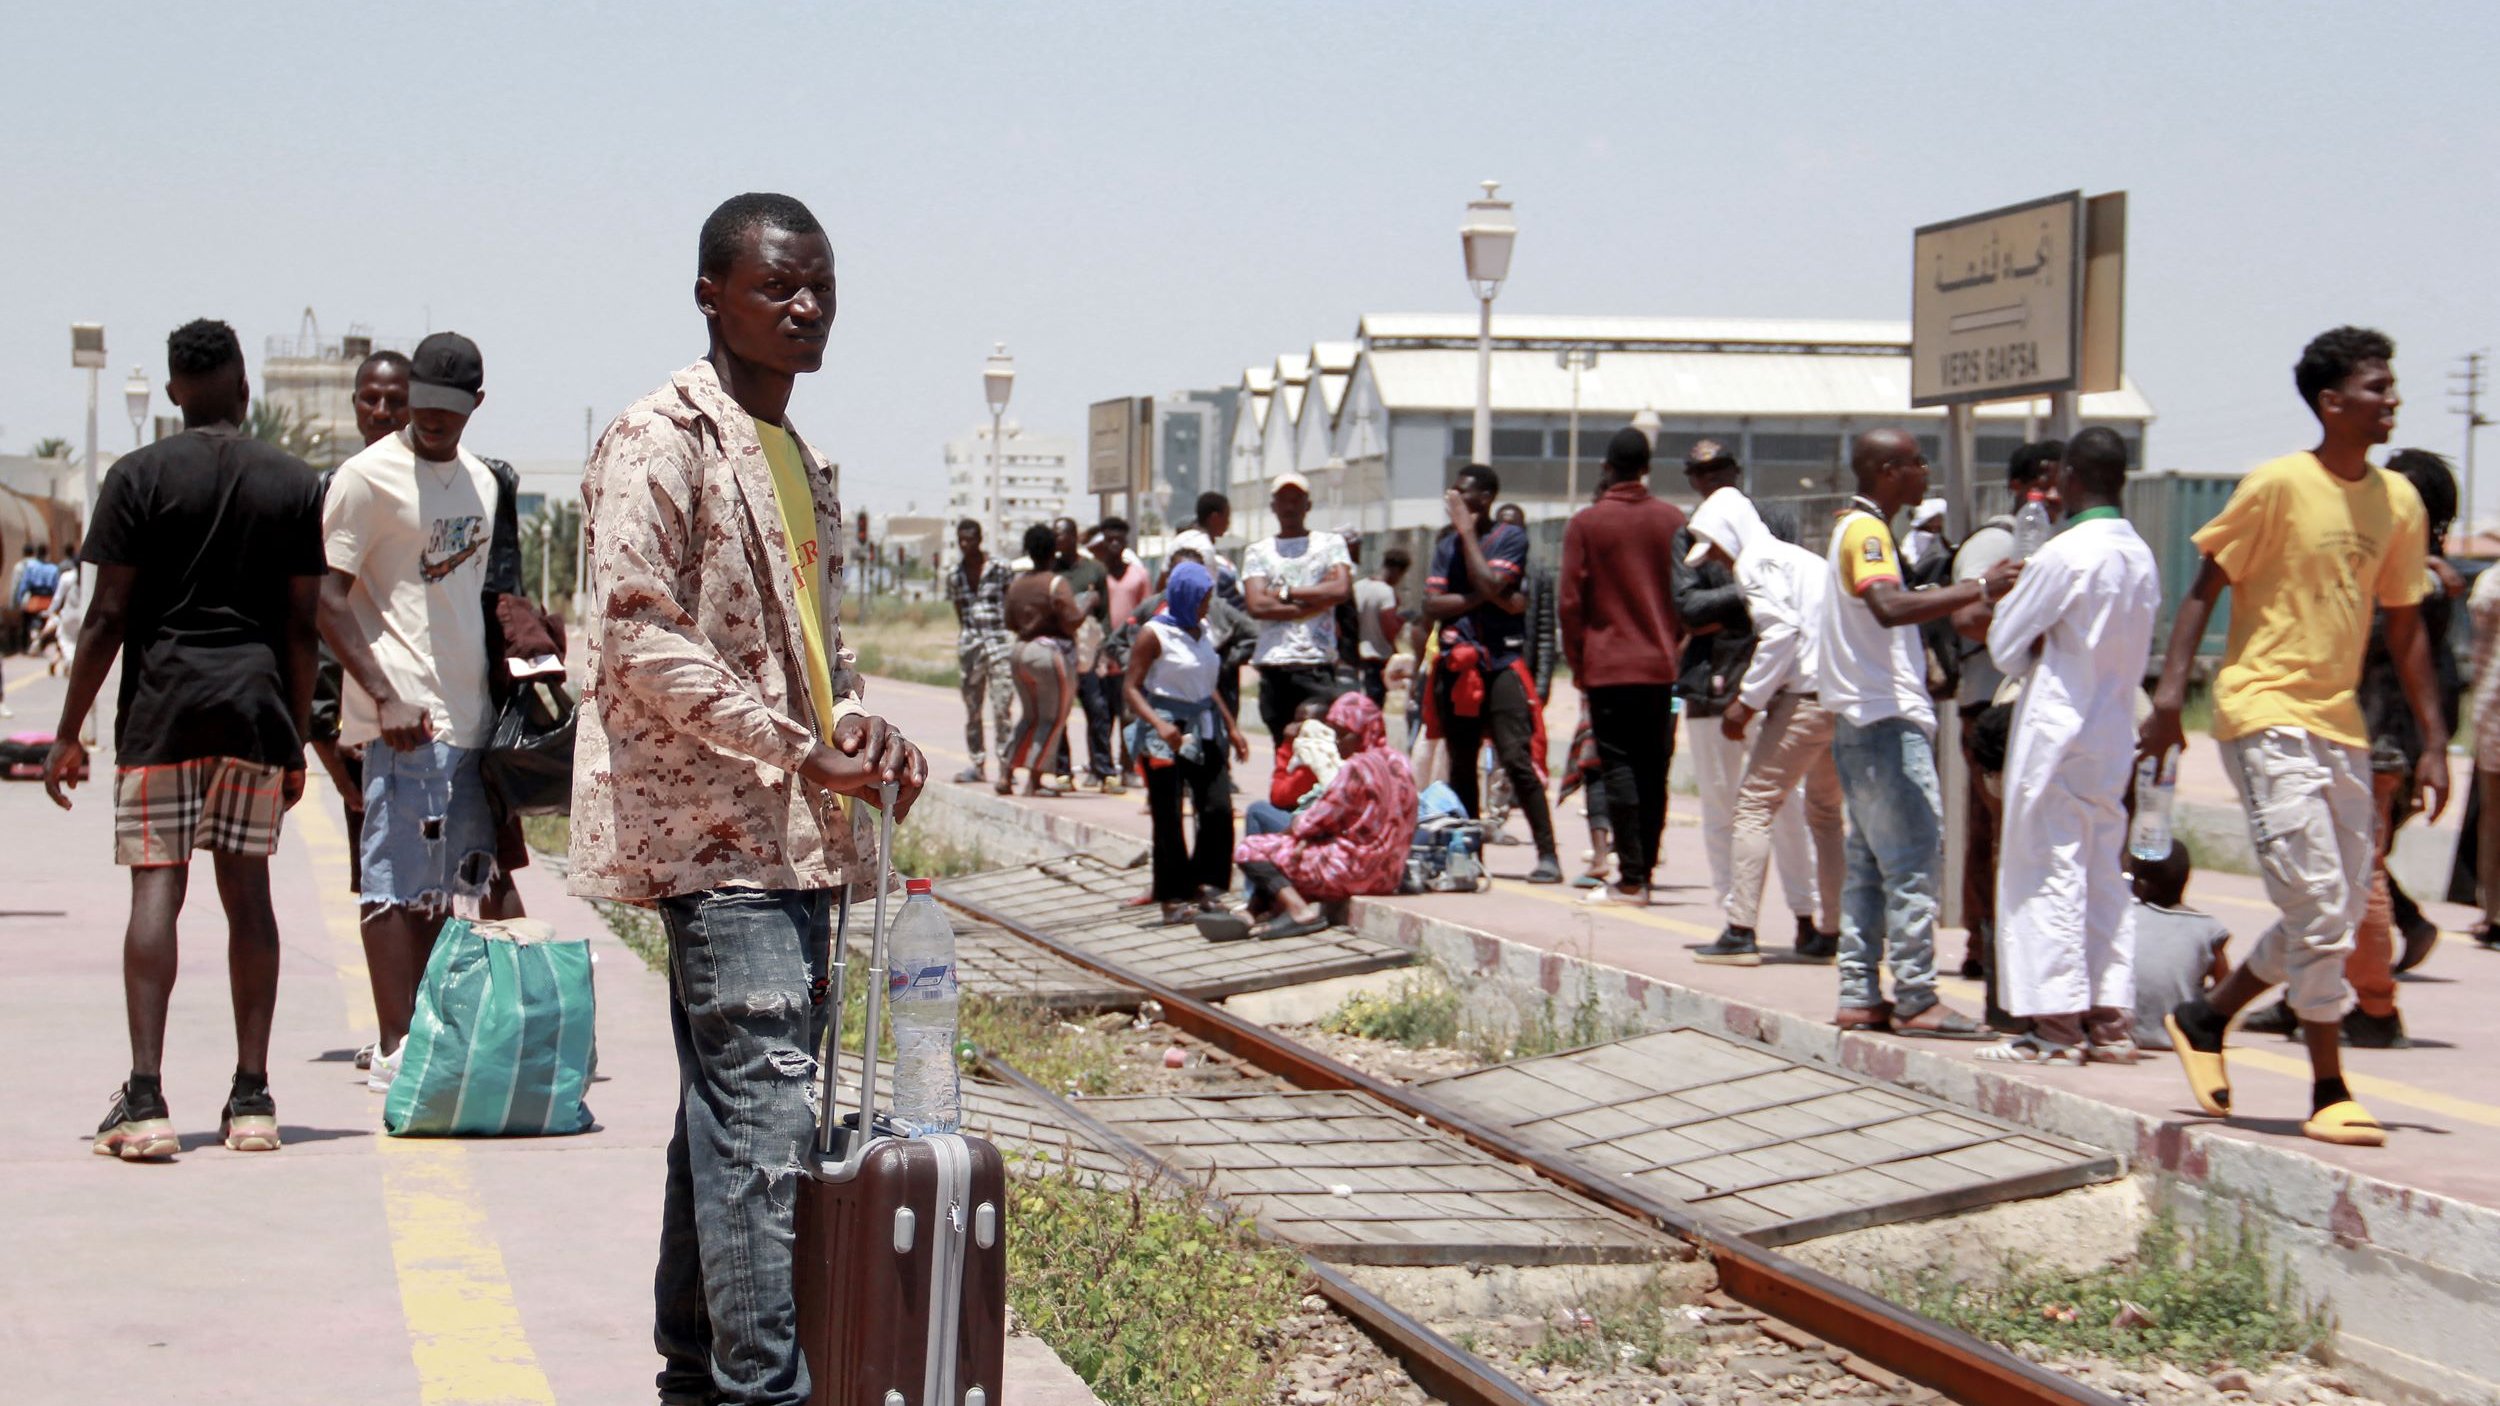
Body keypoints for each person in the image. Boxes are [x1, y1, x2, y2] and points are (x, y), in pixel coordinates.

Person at [571, 192, 927, 1406]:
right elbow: (634, 637)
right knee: (765, 1133)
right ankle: (760, 1391)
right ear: (711, 296)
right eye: (778, 286)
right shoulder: (660, 438)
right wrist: (794, 745)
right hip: (717, 838)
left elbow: (816, 653)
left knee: (729, 1124)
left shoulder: (802, 459)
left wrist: (856, 725)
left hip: (798, 838)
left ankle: (692, 1379)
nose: (806, 307)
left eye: (821, 286)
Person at [2140, 325, 2445, 1149]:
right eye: (2378, 388)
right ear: (2331, 401)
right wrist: (2170, 697)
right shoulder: (2276, 485)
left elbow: (2408, 624)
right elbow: (2207, 587)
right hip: (2262, 711)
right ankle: (2328, 1085)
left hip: (2339, 723)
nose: (2394, 401)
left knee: (2336, 912)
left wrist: (2433, 738)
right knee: (2317, 907)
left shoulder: (2399, 502)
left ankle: (2206, 1016)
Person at [44, 319, 325, 1159]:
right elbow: (303, 625)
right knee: (250, 897)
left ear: (172, 392)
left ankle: (145, 1098)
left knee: (155, 893)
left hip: (162, 710)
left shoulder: (137, 477)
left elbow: (106, 616)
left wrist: (68, 733)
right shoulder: (291, 480)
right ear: (244, 386)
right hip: (253, 710)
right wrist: (295, 740)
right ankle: (252, 1098)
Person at [319, 331, 517, 1092]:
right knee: (393, 885)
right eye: (422, 407)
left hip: (466, 718)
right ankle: (396, 1042)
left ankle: (429, 1031)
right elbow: (326, 601)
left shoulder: (482, 483)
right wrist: (380, 692)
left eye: (449, 410)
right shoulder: (366, 479)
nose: (432, 422)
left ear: (476, 405)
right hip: (401, 716)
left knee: (447, 890)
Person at [1971, 428, 2162, 1066]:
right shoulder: (2140, 554)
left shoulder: (2063, 554)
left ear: (2071, 479)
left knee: (2045, 868)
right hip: (2113, 731)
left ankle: (2054, 1026)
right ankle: (2110, 1019)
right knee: (2105, 872)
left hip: (2057, 727)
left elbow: (2005, 645)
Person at [1826, 429, 2020, 1038]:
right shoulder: (1867, 532)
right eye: (1915, 463)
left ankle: (1859, 990)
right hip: (1885, 721)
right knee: (1912, 862)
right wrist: (1980, 587)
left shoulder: (1856, 530)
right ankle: (1915, 997)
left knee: (1869, 864)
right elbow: (1887, 605)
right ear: (1887, 469)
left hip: (1863, 722)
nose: (1925, 471)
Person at [1691, 500, 1845, 963]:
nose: (1716, 559)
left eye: (1715, 548)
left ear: (1729, 533)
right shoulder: (1804, 560)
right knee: (1825, 815)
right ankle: (1831, 932)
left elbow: (1780, 633)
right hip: (1835, 698)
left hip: (1802, 699)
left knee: (1754, 806)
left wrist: (1746, 701)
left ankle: (1740, 930)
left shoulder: (1757, 563)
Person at [1670, 439, 1813, 924]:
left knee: (1788, 804)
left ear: (1737, 470)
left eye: (1720, 469)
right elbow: (1689, 611)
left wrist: (1741, 598)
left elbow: (1789, 611)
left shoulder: (1775, 523)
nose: (1710, 479)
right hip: (1712, 683)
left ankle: (1807, 914)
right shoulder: (1690, 534)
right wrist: (1753, 593)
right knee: (1720, 805)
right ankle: (1734, 915)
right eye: (1700, 472)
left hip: (1775, 682)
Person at [1949, 439, 2064, 980]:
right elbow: (1966, 614)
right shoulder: (1995, 542)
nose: (2054, 493)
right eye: (2043, 480)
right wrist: (2026, 642)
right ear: (2017, 487)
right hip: (1989, 708)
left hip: (2043, 708)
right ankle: (1987, 946)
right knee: (1993, 831)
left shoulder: (2064, 542)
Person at [307, 350, 411, 926]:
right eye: (370, 399)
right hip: (364, 726)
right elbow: (321, 617)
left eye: (395, 401)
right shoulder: (334, 490)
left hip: (441, 722)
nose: (382, 411)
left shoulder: (456, 485)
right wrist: (325, 734)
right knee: (382, 888)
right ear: (353, 407)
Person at [1559, 430, 1685, 902]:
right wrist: (1672, 645)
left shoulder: (1587, 524)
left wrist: (1578, 662)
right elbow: (1684, 594)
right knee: (1656, 769)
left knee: (1618, 768)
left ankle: (1630, 875)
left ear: (1607, 467)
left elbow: (1571, 602)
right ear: (1646, 469)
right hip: (1660, 668)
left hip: (1607, 666)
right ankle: (1645, 868)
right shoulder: (1673, 519)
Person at [1425, 465, 1560, 882]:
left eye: (1464, 496)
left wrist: (1469, 537)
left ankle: (1548, 855)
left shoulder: (1509, 538)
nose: (1456, 504)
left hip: (1499, 663)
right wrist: (1490, 597)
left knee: (1516, 757)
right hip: (1458, 664)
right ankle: (1468, 854)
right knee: (1462, 763)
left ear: (1486, 498)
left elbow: (1494, 579)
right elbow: (1433, 604)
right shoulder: (1445, 544)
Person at [1217, 691, 1418, 941]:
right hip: (1388, 875)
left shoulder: (1357, 767)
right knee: (1293, 852)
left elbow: (1317, 818)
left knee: (1251, 849)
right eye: (1334, 734)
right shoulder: (1401, 762)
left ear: (1364, 731)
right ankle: (1254, 911)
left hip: (1354, 870)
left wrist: (1293, 833)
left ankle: (1299, 912)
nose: (1338, 742)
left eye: (1345, 734)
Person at [1124, 560, 1248, 923]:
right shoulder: (1154, 634)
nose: (1207, 605)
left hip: (1204, 725)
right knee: (1168, 815)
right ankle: (1172, 898)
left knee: (1217, 807)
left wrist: (1232, 727)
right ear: (1185, 596)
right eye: (1203, 598)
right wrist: (1159, 725)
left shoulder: (1204, 629)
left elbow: (1209, 687)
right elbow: (1131, 688)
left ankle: (1205, 885)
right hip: (1165, 729)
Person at [1241, 471, 1354, 741]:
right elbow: (1257, 604)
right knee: (1283, 747)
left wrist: (1284, 592)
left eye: (1296, 499)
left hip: (1315, 662)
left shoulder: (1330, 545)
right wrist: (1312, 604)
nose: (1290, 506)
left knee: (1319, 746)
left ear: (1308, 505)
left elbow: (1340, 589)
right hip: (1274, 665)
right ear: (1273, 507)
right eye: (1283, 500)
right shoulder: (1259, 551)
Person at [1002, 522, 1085, 797]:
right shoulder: (1055, 583)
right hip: (1049, 656)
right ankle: (1035, 779)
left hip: (1020, 652)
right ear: (1053, 551)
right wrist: (1089, 603)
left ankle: (1006, 772)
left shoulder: (1017, 585)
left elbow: (1010, 621)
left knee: (1029, 716)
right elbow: (1072, 620)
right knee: (1052, 717)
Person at [2127, 841, 2232, 1052]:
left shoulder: (2127, 917)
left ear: (2140, 886)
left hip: (2126, 1035)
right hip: (2181, 1038)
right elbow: (2227, 986)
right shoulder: (2207, 928)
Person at [945, 517, 1015, 785]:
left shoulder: (1000, 569)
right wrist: (968, 638)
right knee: (973, 710)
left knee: (1002, 708)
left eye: (970, 539)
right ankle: (978, 763)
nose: (965, 545)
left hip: (999, 644)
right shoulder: (954, 574)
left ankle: (1006, 766)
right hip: (971, 647)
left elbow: (1012, 602)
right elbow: (960, 612)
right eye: (961, 540)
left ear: (980, 539)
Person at [1084, 517, 1150, 793]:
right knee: (1098, 714)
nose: (1114, 544)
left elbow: (1146, 613)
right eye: (1109, 538)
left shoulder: (1138, 575)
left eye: (1119, 539)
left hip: (1127, 657)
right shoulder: (1094, 574)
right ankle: (1100, 768)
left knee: (1128, 715)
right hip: (1096, 656)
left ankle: (1126, 766)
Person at [1356, 546, 1409, 708]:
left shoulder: (1358, 586)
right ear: (1398, 571)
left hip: (1356, 655)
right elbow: (1389, 627)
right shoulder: (1386, 592)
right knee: (1374, 706)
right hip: (1378, 655)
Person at [15, 543, 59, 653]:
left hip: (34, 599)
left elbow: (24, 585)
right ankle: (40, 642)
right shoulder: (53, 568)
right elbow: (55, 587)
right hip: (48, 600)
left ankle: (27, 644)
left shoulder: (30, 567)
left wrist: (20, 599)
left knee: (27, 621)